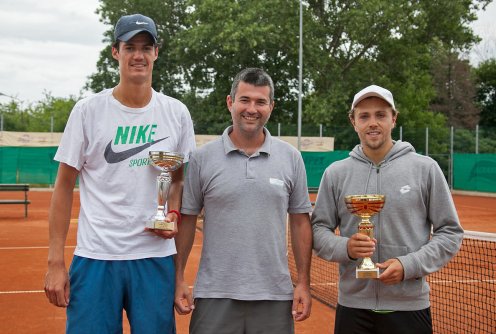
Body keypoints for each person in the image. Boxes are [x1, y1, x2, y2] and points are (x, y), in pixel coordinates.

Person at [44, 13, 196, 333]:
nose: (138, 55)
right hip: (96, 256)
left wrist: (171, 214)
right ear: (116, 52)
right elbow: (63, 187)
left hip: (154, 258)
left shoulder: (176, 113)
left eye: (146, 47)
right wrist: (56, 261)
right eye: (130, 47)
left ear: (156, 52)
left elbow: (177, 178)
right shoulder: (88, 111)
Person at [311, 84, 464, 334]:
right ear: (353, 121)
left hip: (409, 308)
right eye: (364, 116)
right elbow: (318, 229)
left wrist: (409, 265)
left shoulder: (425, 169)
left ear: (394, 119)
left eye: (381, 114)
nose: (373, 122)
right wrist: (345, 247)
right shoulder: (335, 174)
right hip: (352, 307)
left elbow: (450, 232)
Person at [174, 68, 313, 333]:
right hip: (215, 294)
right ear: (230, 102)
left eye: (260, 102)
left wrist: (304, 283)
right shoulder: (203, 158)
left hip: (274, 295)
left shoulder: (291, 158)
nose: (252, 108)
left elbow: (300, 222)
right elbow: (188, 220)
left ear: (271, 107)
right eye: (245, 100)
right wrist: (178, 278)